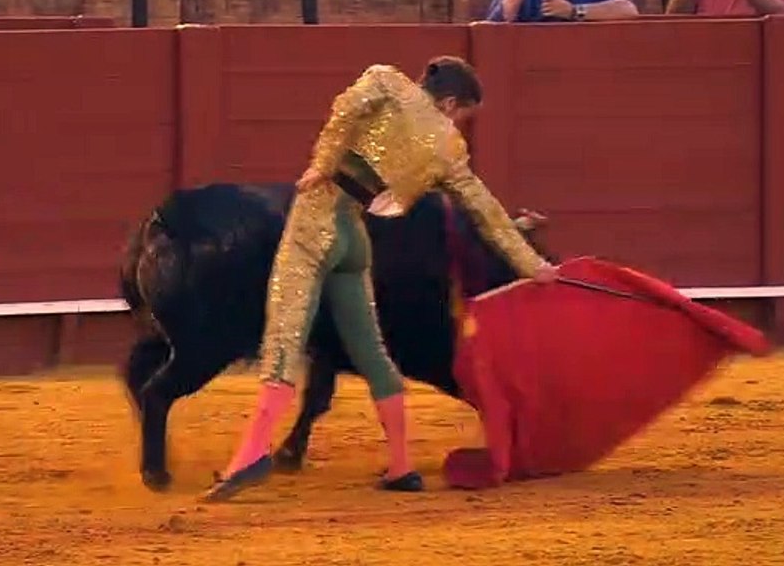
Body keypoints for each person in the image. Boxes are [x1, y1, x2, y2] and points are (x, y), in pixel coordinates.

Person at [200, 56, 559, 503]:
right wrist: (533, 266)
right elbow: (487, 214)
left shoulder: (386, 81)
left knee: (283, 337)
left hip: (317, 219)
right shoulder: (449, 148)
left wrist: (324, 164)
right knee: (371, 352)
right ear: (449, 102)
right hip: (356, 238)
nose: (457, 124)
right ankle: (401, 465)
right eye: (462, 116)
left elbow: (345, 110)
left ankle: (251, 454)